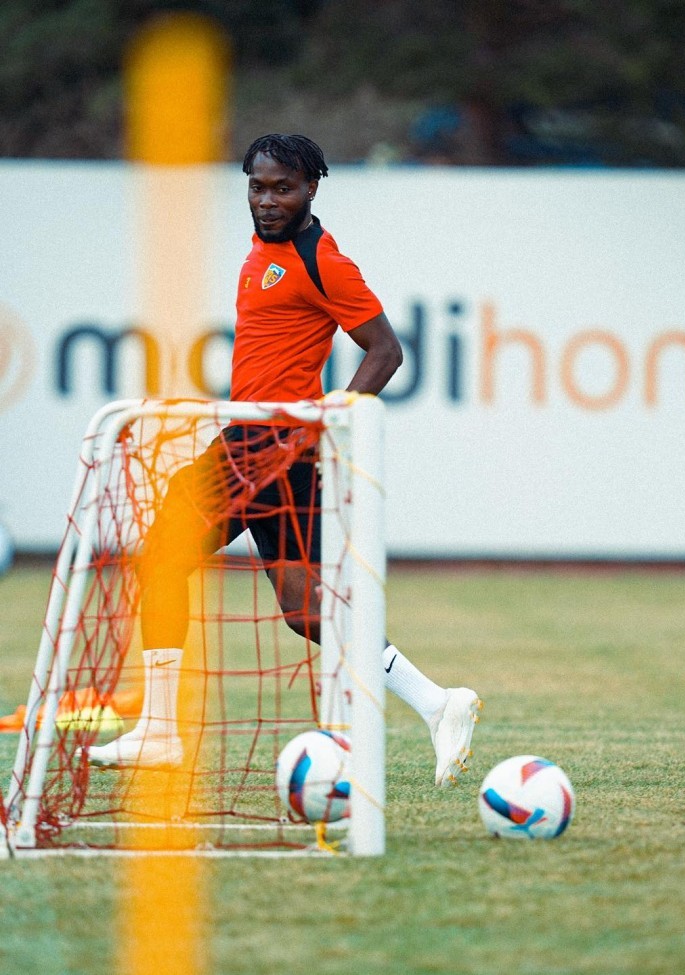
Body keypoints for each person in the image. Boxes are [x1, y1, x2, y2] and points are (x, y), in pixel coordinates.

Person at [83, 133, 482, 787]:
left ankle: (158, 732)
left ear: (312, 189)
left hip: (269, 447)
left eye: (283, 189)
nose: (268, 201)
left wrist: (330, 418)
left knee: (161, 553)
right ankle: (437, 702)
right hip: (265, 448)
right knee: (303, 611)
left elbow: (386, 351)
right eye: (258, 187)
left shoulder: (323, 261)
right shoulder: (260, 250)